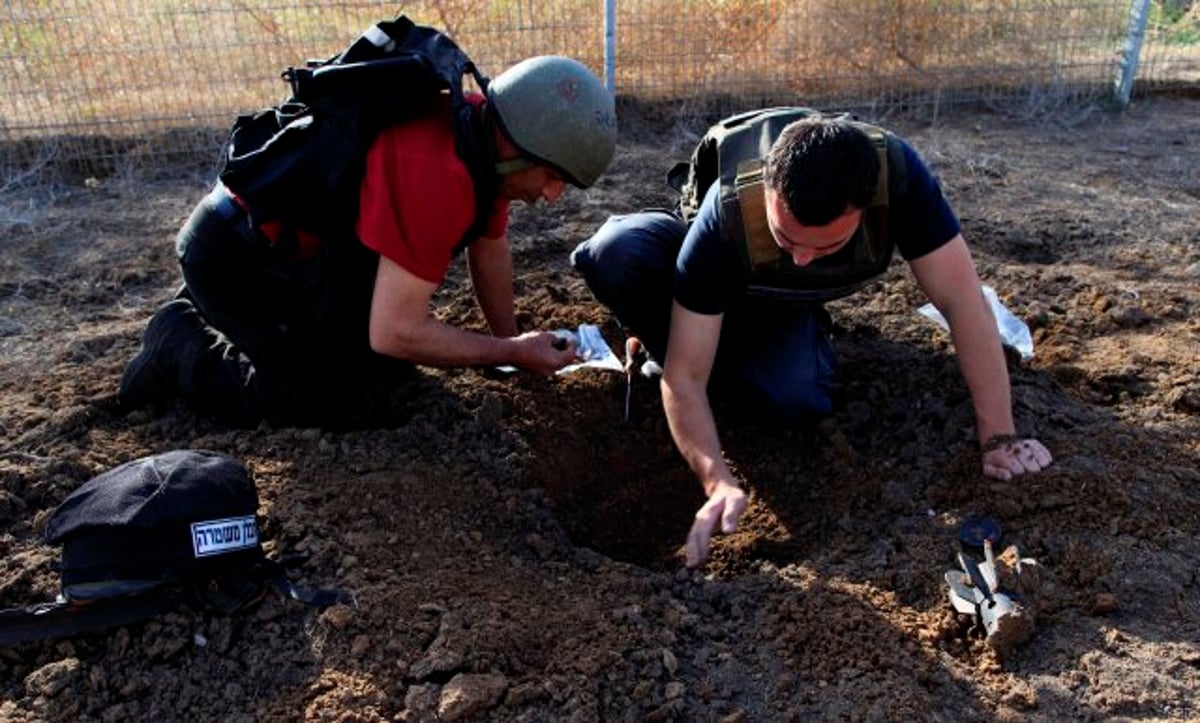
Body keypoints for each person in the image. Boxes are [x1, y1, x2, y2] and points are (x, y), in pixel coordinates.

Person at [570, 108, 1052, 567]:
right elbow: (684, 374)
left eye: (826, 246)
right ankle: (670, 338)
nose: (802, 258)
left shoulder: (901, 180)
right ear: (769, 194)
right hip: (720, 275)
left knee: (794, 396)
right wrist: (715, 478)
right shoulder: (731, 209)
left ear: (863, 211)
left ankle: (783, 341)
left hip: (783, 304)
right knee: (616, 252)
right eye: (786, 239)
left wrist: (999, 436)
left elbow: (964, 304)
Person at [119, 55, 617, 429]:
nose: (553, 196)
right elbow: (395, 331)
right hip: (236, 259)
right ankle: (177, 340)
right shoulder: (439, 174)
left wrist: (513, 350)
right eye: (552, 177)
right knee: (345, 404)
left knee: (388, 374)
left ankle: (262, 325)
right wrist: (506, 349)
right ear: (517, 146)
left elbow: (489, 247)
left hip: (301, 257)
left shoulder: (480, 137)